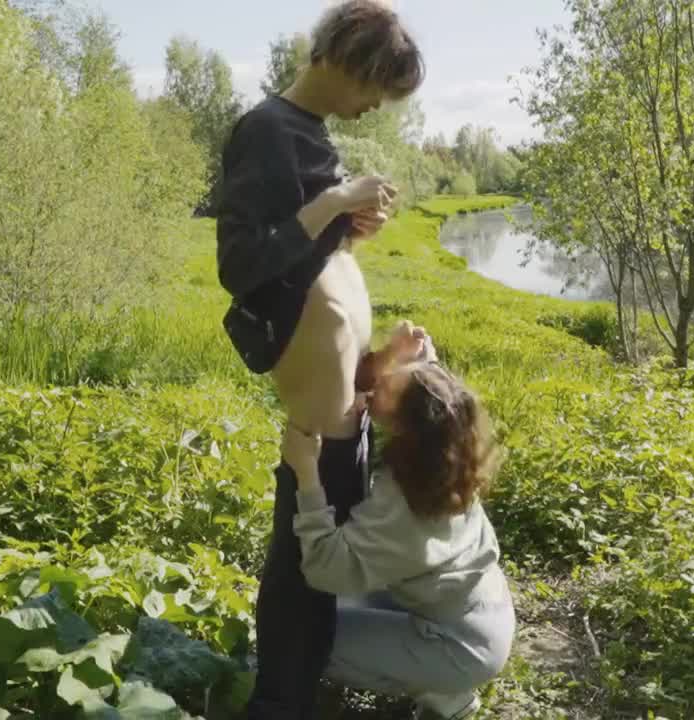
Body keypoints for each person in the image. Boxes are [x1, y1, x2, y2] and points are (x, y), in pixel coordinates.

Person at [212, 2, 425, 718]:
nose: (373, 107)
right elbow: (243, 265)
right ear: (346, 60)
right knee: (301, 561)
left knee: (323, 555)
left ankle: (301, 688)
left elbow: (302, 254)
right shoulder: (266, 129)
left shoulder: (312, 133)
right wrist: (334, 199)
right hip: (311, 388)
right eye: (374, 89)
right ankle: (279, 701)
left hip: (341, 388)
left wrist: (353, 227)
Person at [281, 326, 515, 720]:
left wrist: (306, 474)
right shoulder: (444, 454)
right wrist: (407, 353)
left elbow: (325, 568)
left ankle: (445, 691)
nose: (375, 387)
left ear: (408, 426)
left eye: (387, 389)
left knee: (305, 640)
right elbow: (433, 393)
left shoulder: (407, 510)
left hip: (461, 647)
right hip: (480, 611)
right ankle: (425, 665)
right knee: (336, 604)